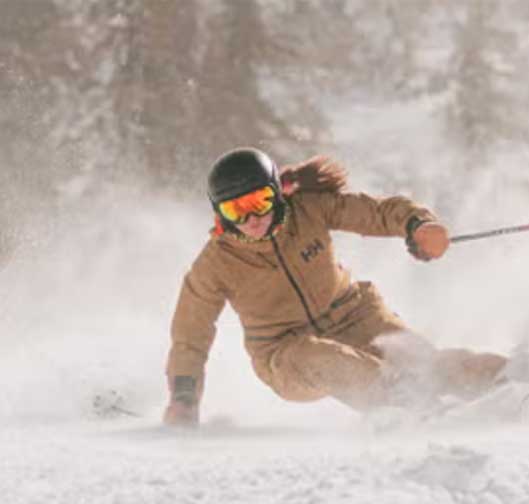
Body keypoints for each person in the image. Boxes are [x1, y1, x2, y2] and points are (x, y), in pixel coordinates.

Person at [164, 147, 510, 426]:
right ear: (219, 213)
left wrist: (418, 225)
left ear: (276, 194)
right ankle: (410, 408)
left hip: (355, 316)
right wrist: (183, 398)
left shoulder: (309, 210)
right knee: (325, 357)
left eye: (260, 202)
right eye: (236, 209)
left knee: (425, 365)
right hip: (285, 351)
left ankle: (515, 383)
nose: (252, 219)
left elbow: (375, 212)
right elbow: (189, 336)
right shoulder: (215, 264)